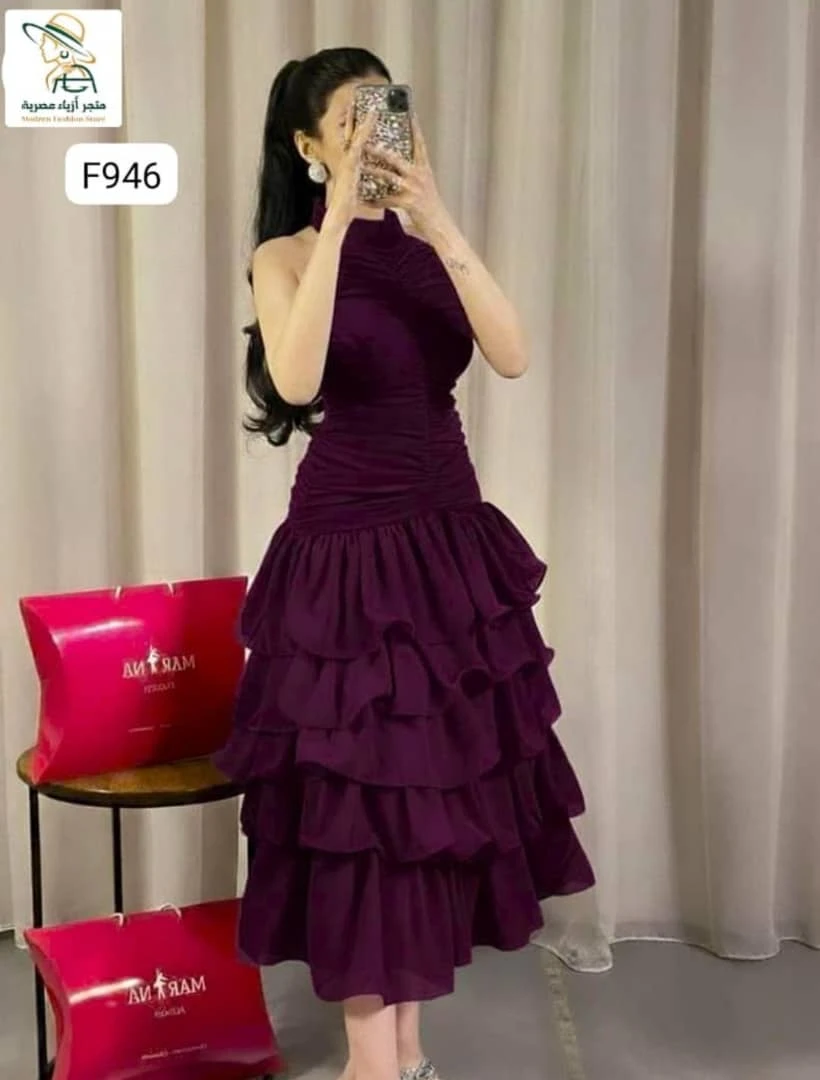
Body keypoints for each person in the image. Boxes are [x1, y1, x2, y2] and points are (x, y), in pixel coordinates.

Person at [214, 47, 595, 1080]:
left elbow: (510, 353)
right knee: (361, 802)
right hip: (346, 550)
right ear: (307, 146)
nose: (370, 134)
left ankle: (406, 1053)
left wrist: (436, 217)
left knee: (429, 790)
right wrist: (339, 217)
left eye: (381, 112)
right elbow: (297, 380)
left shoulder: (429, 247)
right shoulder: (286, 254)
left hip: (447, 542)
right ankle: (369, 1064)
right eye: (347, 122)